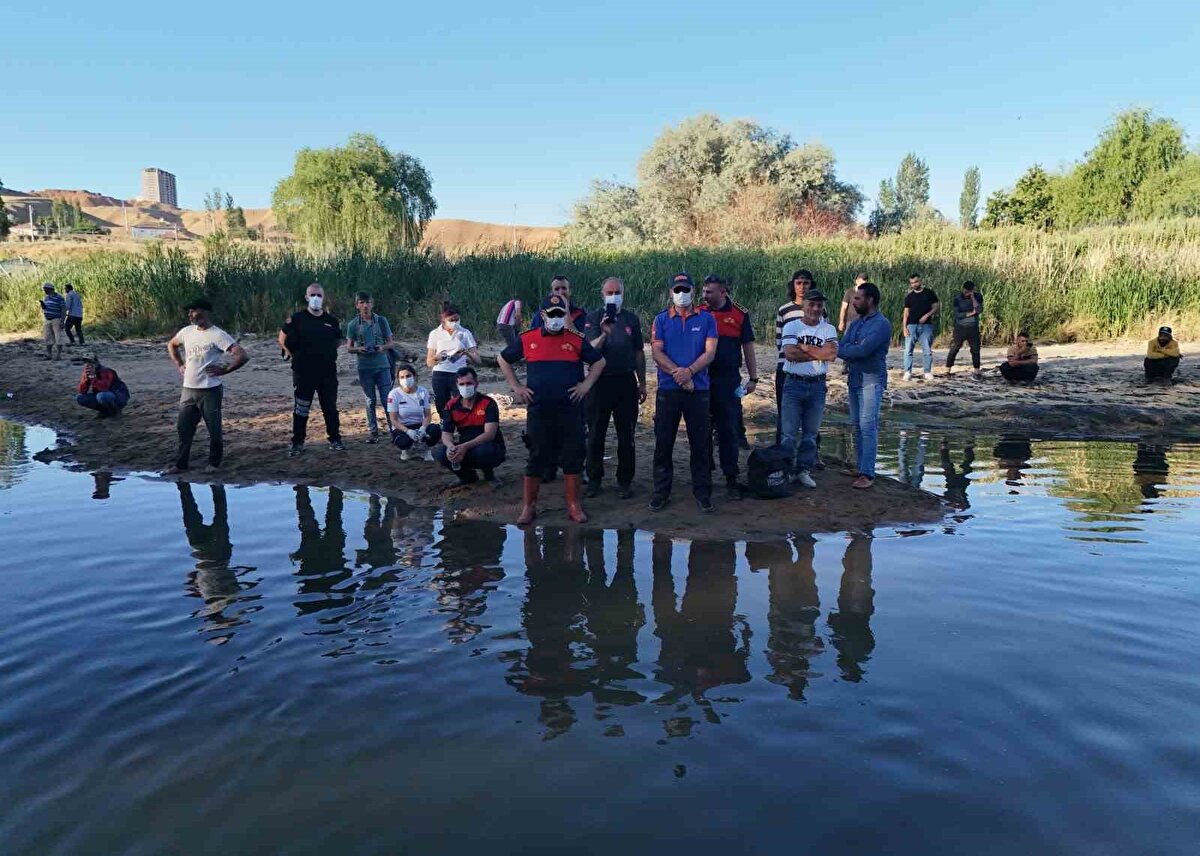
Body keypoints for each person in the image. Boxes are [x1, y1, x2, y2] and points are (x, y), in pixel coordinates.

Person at [500, 294, 606, 524]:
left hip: (570, 409)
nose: (557, 318)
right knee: (537, 456)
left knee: (573, 455)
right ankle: (528, 507)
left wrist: (586, 385)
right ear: (543, 315)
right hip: (539, 409)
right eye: (552, 314)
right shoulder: (528, 338)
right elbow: (503, 359)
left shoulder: (575, 339)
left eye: (561, 314)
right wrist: (517, 387)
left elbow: (599, 361)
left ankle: (574, 506)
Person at [650, 273, 719, 513]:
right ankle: (661, 492)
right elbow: (657, 353)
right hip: (669, 389)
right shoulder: (661, 320)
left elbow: (710, 353)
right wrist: (678, 375)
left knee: (700, 443)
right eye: (677, 290)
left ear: (693, 291)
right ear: (671, 292)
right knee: (663, 442)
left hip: (698, 390)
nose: (681, 294)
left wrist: (689, 372)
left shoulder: (707, 319)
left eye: (685, 289)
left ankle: (703, 493)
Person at [166, 297, 249, 473]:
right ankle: (180, 465)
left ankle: (214, 464)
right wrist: (180, 364)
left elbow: (242, 355)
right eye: (189, 311)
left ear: (204, 312)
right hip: (189, 389)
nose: (190, 314)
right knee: (183, 429)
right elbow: (172, 345)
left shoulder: (217, 335)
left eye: (193, 311)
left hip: (210, 390)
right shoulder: (187, 331)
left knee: (214, 430)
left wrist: (225, 370)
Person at [581, 276, 646, 499]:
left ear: (623, 295)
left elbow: (639, 352)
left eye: (617, 292)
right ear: (602, 295)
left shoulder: (631, 319)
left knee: (626, 435)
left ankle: (624, 481)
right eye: (609, 293)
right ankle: (594, 480)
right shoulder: (593, 318)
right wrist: (603, 333)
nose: (613, 296)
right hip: (599, 383)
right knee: (595, 434)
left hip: (625, 382)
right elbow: (589, 351)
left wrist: (642, 382)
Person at [701, 274, 758, 499]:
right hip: (702, 378)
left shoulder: (739, 314)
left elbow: (748, 348)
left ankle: (731, 478)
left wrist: (753, 378)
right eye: (704, 291)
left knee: (728, 430)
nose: (705, 295)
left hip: (728, 380)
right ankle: (704, 474)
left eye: (709, 292)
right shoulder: (699, 312)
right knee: (702, 429)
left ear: (723, 292)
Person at [779, 289, 839, 489]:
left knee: (811, 433)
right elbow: (790, 354)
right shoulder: (792, 326)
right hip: (793, 384)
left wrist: (804, 348)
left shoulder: (828, 329)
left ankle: (803, 470)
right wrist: (819, 352)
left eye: (819, 305)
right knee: (788, 433)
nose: (815, 309)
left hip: (817, 385)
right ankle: (786, 469)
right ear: (803, 305)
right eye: (811, 304)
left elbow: (831, 355)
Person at [838, 282, 892, 489]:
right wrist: (850, 349)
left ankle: (867, 473)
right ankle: (861, 466)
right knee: (856, 425)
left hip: (871, 380)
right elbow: (842, 346)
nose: (854, 301)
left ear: (870, 300)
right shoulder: (856, 323)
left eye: (858, 298)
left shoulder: (881, 324)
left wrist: (849, 350)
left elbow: (862, 351)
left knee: (868, 426)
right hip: (855, 378)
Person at [280, 283, 345, 456]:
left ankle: (335, 439)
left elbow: (338, 341)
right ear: (306, 297)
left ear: (323, 298)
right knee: (301, 409)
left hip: (327, 373)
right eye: (312, 295)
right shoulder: (297, 319)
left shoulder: (331, 321)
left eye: (319, 295)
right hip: (303, 373)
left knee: (330, 408)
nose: (316, 298)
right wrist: (292, 354)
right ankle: (297, 442)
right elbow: (282, 338)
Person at [432, 366, 507, 485]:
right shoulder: (451, 405)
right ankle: (467, 477)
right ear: (457, 385)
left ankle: (489, 475)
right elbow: (446, 433)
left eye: (469, 383)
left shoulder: (488, 403)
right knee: (440, 453)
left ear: (476, 384)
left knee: (484, 451)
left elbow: (489, 434)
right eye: (462, 384)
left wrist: (465, 447)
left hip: (486, 444)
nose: (465, 387)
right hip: (464, 444)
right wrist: (451, 447)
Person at [345, 291, 396, 443]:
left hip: (382, 366)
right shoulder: (353, 324)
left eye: (367, 302)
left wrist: (382, 347)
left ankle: (394, 430)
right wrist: (359, 349)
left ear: (372, 304)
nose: (365, 306)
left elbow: (391, 343)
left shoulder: (381, 321)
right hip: (365, 367)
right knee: (370, 400)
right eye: (361, 302)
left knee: (387, 399)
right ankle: (373, 433)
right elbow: (349, 348)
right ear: (357, 305)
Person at [773, 270, 815, 434]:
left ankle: (812, 448)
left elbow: (823, 339)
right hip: (786, 367)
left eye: (806, 283)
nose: (802, 287)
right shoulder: (784, 310)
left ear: (811, 285)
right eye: (799, 283)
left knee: (811, 414)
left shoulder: (819, 309)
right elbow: (779, 343)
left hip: (811, 368)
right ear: (793, 285)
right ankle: (782, 448)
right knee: (784, 413)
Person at [425, 302, 481, 418]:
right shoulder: (435, 333)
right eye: (451, 320)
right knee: (441, 404)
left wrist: (467, 353)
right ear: (443, 319)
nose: (454, 323)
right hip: (440, 373)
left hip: (459, 372)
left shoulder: (465, 333)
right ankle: (445, 423)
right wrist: (437, 357)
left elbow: (477, 360)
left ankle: (462, 422)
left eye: (457, 319)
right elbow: (429, 362)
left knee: (461, 401)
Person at [386, 363, 441, 461]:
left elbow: (427, 415)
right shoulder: (393, 394)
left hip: (419, 424)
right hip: (402, 427)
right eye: (402, 377)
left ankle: (426, 450)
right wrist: (407, 431)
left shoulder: (423, 392)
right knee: (403, 441)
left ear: (414, 376)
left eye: (408, 376)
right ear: (398, 379)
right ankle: (406, 451)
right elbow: (393, 419)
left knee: (436, 430)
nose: (405, 379)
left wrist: (423, 428)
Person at [901, 273, 939, 381]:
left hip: (926, 326)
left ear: (920, 281)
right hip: (911, 325)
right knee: (908, 350)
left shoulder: (929, 293)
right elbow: (906, 313)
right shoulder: (909, 296)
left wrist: (927, 315)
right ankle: (907, 372)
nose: (914, 284)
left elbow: (936, 307)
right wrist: (904, 327)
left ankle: (927, 372)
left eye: (916, 282)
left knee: (927, 350)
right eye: (912, 283)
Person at [945, 281, 983, 378]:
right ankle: (948, 369)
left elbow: (979, 310)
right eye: (966, 292)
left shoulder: (978, 296)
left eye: (970, 292)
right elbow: (957, 314)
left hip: (973, 327)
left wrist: (973, 298)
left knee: (975, 349)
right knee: (954, 348)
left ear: (973, 290)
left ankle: (976, 370)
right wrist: (971, 313)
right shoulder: (958, 298)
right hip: (960, 327)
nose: (967, 294)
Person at [74, 352, 129, 418]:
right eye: (86, 362)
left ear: (96, 362)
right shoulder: (87, 372)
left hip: (119, 396)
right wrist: (86, 378)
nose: (88, 365)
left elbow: (104, 388)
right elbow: (82, 391)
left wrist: (93, 378)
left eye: (90, 362)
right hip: (104, 395)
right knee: (80, 398)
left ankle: (116, 411)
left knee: (102, 396)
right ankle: (105, 411)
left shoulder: (106, 371)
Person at [39, 282, 68, 361]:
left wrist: (62, 321)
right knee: (48, 337)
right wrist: (43, 305)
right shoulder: (46, 297)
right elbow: (45, 308)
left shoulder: (59, 297)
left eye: (45, 289)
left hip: (57, 319)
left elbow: (63, 309)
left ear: (49, 289)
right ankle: (49, 354)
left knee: (58, 337)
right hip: (48, 319)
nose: (44, 291)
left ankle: (58, 355)